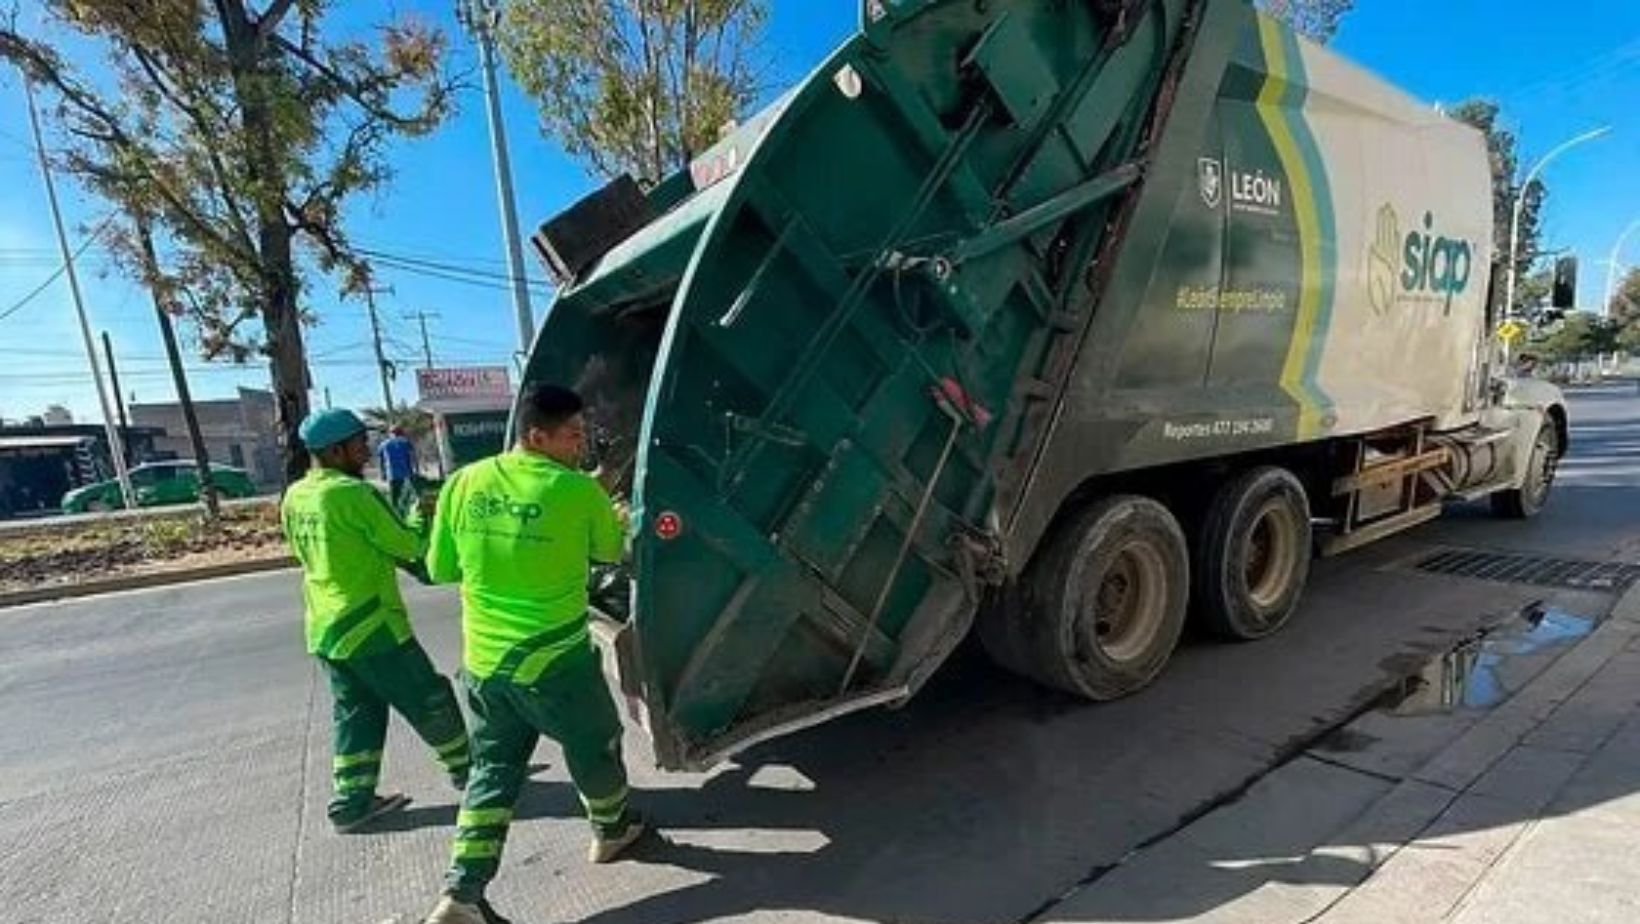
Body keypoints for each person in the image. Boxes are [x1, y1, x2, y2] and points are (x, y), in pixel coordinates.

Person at [421, 385, 642, 924]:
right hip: (556, 661)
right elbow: (612, 554)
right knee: (596, 742)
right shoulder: (575, 491)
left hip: (485, 665)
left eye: (582, 436)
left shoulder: (464, 482)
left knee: (493, 770)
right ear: (535, 435)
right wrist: (606, 507)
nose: (578, 446)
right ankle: (612, 832)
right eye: (571, 436)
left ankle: (463, 893)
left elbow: (440, 569)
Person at [281, 408, 472, 833]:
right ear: (334, 451)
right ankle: (469, 771)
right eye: (358, 443)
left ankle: (351, 802)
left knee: (359, 712)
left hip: (325, 626)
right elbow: (407, 544)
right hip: (371, 625)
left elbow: (300, 550)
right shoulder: (352, 494)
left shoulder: (296, 495)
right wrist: (423, 513)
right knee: (429, 696)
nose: (366, 450)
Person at [379, 426, 417, 505]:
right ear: (400, 433)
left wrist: (383, 473)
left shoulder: (383, 444)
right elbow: (411, 458)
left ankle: (395, 513)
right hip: (406, 474)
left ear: (390, 433)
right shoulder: (406, 442)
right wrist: (415, 470)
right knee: (409, 496)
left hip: (392, 474)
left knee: (394, 497)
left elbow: (382, 461)